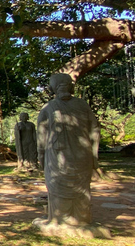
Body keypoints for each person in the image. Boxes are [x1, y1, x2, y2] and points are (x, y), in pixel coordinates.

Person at [35, 74, 101, 231]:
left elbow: (41, 135)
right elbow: (95, 129)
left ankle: (59, 219)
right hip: (82, 153)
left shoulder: (49, 107)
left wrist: (41, 155)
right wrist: (94, 154)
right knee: (81, 187)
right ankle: (81, 219)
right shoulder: (83, 105)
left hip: (57, 155)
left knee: (58, 184)